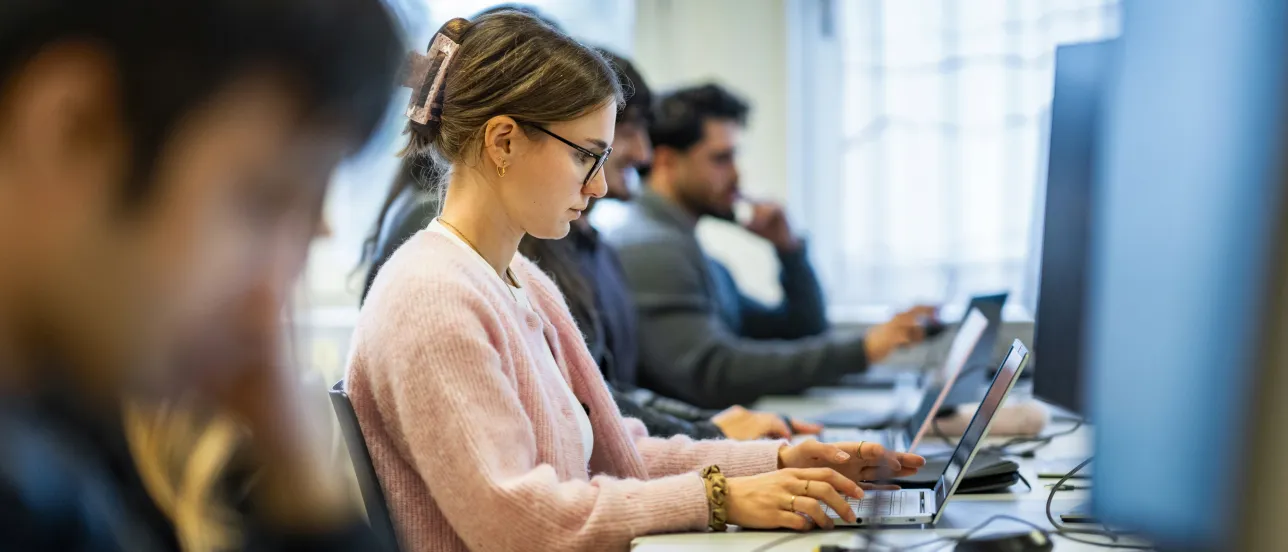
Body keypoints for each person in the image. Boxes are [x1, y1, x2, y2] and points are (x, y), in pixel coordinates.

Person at [347, 11, 925, 551]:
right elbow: (516, 520)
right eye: (586, 158)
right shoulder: (433, 297)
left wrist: (781, 461)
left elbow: (614, 452)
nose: (600, 187)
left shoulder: (518, 278)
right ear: (503, 142)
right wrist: (717, 498)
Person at [0, 0, 402, 550]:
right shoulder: (31, 493)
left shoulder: (64, 433)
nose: (267, 308)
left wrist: (298, 482)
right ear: (73, 129)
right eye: (261, 202)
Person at [604, 83, 937, 409]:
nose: (736, 175)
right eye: (721, 158)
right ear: (666, 163)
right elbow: (713, 373)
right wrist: (862, 349)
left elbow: (799, 330)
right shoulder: (651, 249)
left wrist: (789, 251)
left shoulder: (688, 251)